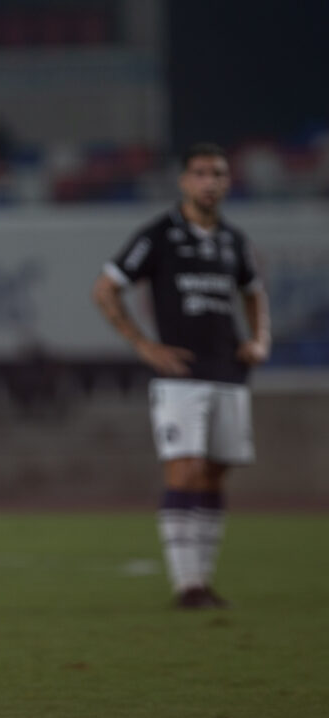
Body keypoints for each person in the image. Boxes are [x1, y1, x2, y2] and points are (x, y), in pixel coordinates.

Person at [92, 142, 270, 609]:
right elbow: (106, 288)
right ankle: (186, 584)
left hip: (229, 371)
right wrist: (143, 344)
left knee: (214, 472)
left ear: (227, 182)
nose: (209, 181)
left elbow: (253, 292)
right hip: (181, 373)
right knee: (185, 467)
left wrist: (260, 339)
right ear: (183, 181)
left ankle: (203, 582)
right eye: (200, 173)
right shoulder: (159, 235)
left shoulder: (234, 241)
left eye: (218, 173)